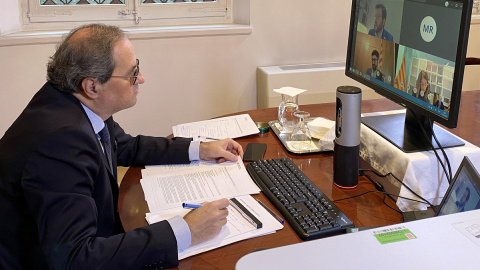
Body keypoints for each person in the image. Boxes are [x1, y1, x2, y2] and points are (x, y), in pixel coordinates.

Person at [0, 24, 244, 270]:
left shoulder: (69, 101)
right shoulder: (61, 142)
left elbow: (124, 146)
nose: (141, 79)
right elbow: (74, 258)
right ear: (92, 86)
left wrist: (200, 150)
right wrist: (187, 230)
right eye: (132, 73)